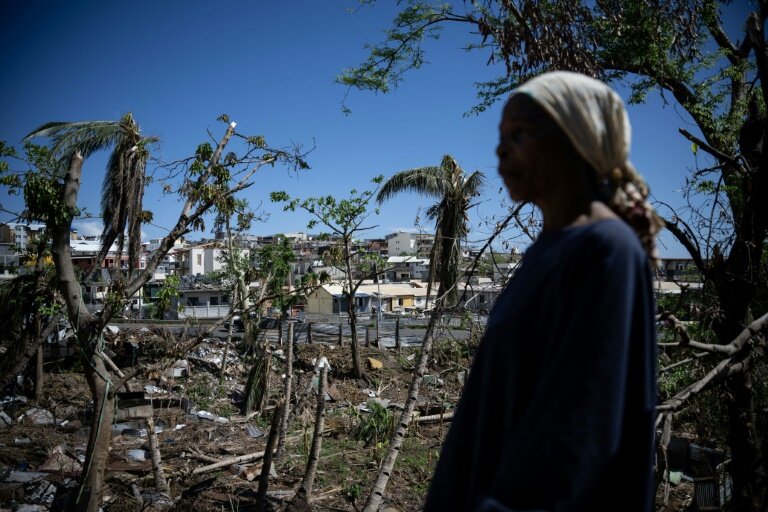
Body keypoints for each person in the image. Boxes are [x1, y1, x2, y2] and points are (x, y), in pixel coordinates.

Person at [424, 71, 663, 511]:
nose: (500, 149)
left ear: (575, 140)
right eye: (500, 135)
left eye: (519, 133)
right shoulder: (546, 252)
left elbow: (579, 433)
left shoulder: (604, 250)